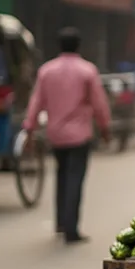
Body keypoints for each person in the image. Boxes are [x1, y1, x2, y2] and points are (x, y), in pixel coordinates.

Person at [23, 27, 111, 245]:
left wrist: (29, 128)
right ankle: (71, 228)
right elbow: (99, 104)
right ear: (79, 46)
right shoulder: (87, 70)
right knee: (74, 180)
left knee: (61, 176)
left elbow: (36, 102)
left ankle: (61, 222)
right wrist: (105, 128)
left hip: (56, 134)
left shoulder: (46, 71)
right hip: (79, 135)